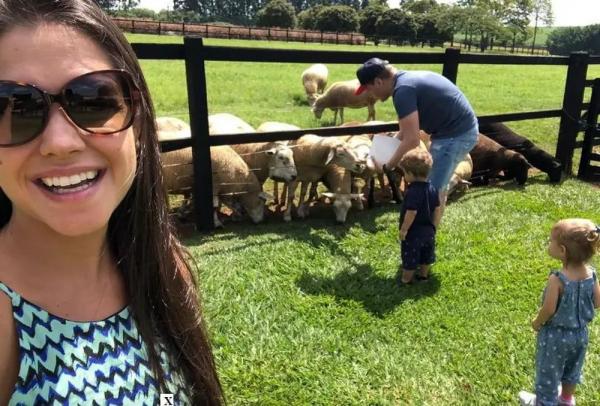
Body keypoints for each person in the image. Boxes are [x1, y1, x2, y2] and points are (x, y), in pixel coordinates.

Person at [0, 1, 223, 404]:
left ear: (136, 119)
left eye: (93, 100)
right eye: (15, 107)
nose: (60, 143)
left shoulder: (162, 270)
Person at [355, 57, 478, 221]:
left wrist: (388, 165)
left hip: (455, 136)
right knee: (432, 186)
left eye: (368, 89)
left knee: (434, 189)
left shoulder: (403, 91)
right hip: (455, 131)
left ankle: (426, 236)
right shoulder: (405, 81)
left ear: (378, 82)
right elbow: (406, 131)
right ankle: (424, 230)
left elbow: (412, 140)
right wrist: (388, 147)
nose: (370, 94)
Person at [518, 219, 600, 406]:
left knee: (548, 371)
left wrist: (537, 322)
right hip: (580, 335)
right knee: (572, 370)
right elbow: (598, 302)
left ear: (562, 251)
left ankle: (544, 402)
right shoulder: (592, 274)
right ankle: (566, 400)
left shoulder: (557, 279)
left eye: (550, 241)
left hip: (555, 336)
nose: (548, 244)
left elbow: (548, 309)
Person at [396, 148, 441, 286]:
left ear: (410, 173)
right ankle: (423, 277)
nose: (404, 176)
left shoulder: (413, 191)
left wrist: (404, 229)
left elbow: (412, 212)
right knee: (426, 256)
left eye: (404, 173)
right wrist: (434, 225)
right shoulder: (432, 188)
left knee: (410, 257)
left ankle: (406, 280)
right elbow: (437, 209)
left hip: (413, 233)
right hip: (428, 232)